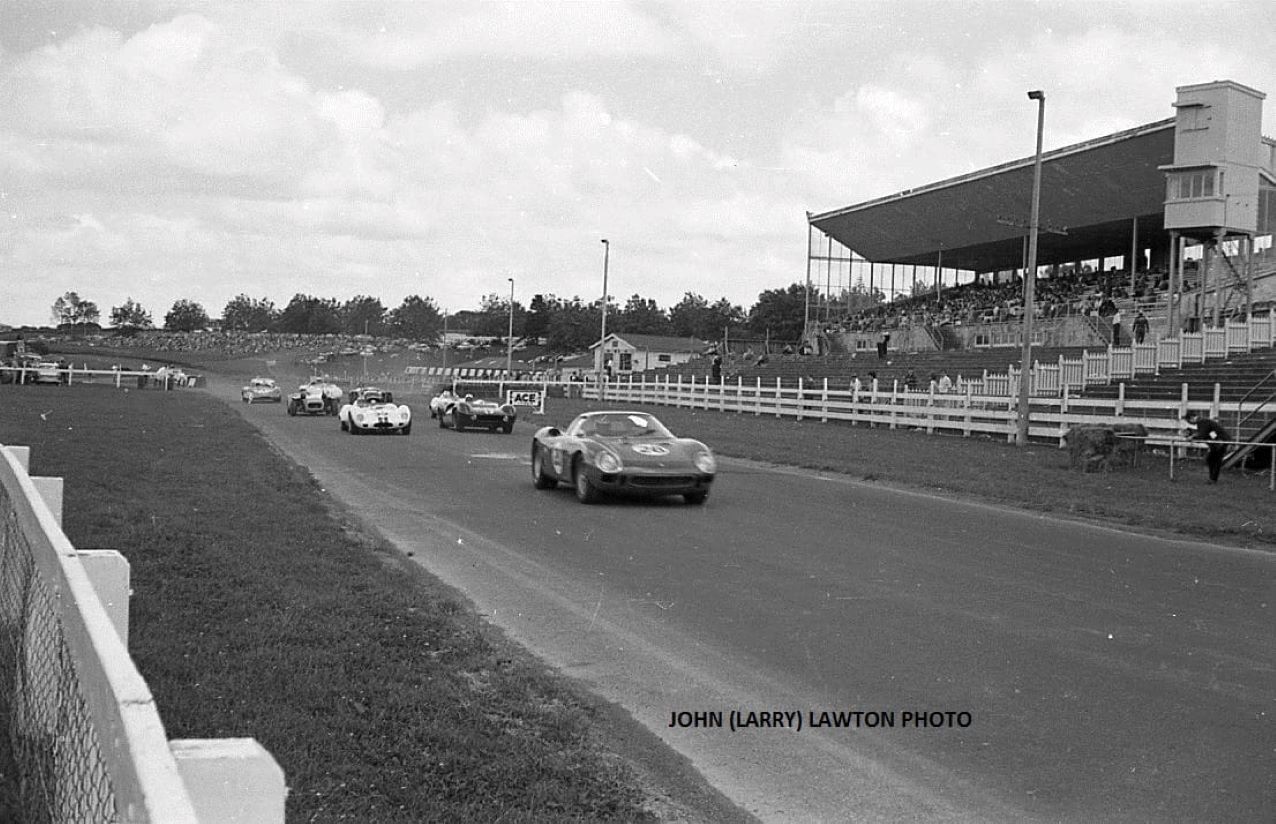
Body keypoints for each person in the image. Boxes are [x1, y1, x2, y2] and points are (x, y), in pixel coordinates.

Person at [1183, 411, 1231, 483]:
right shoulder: (1203, 422)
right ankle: (1212, 479)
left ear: (1192, 418)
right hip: (1219, 442)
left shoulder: (1202, 422)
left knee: (1213, 460)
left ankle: (1213, 479)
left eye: (1188, 421)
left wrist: (1191, 437)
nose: (1189, 423)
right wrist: (1192, 437)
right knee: (1213, 460)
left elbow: (1202, 435)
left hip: (1220, 443)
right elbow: (1204, 435)